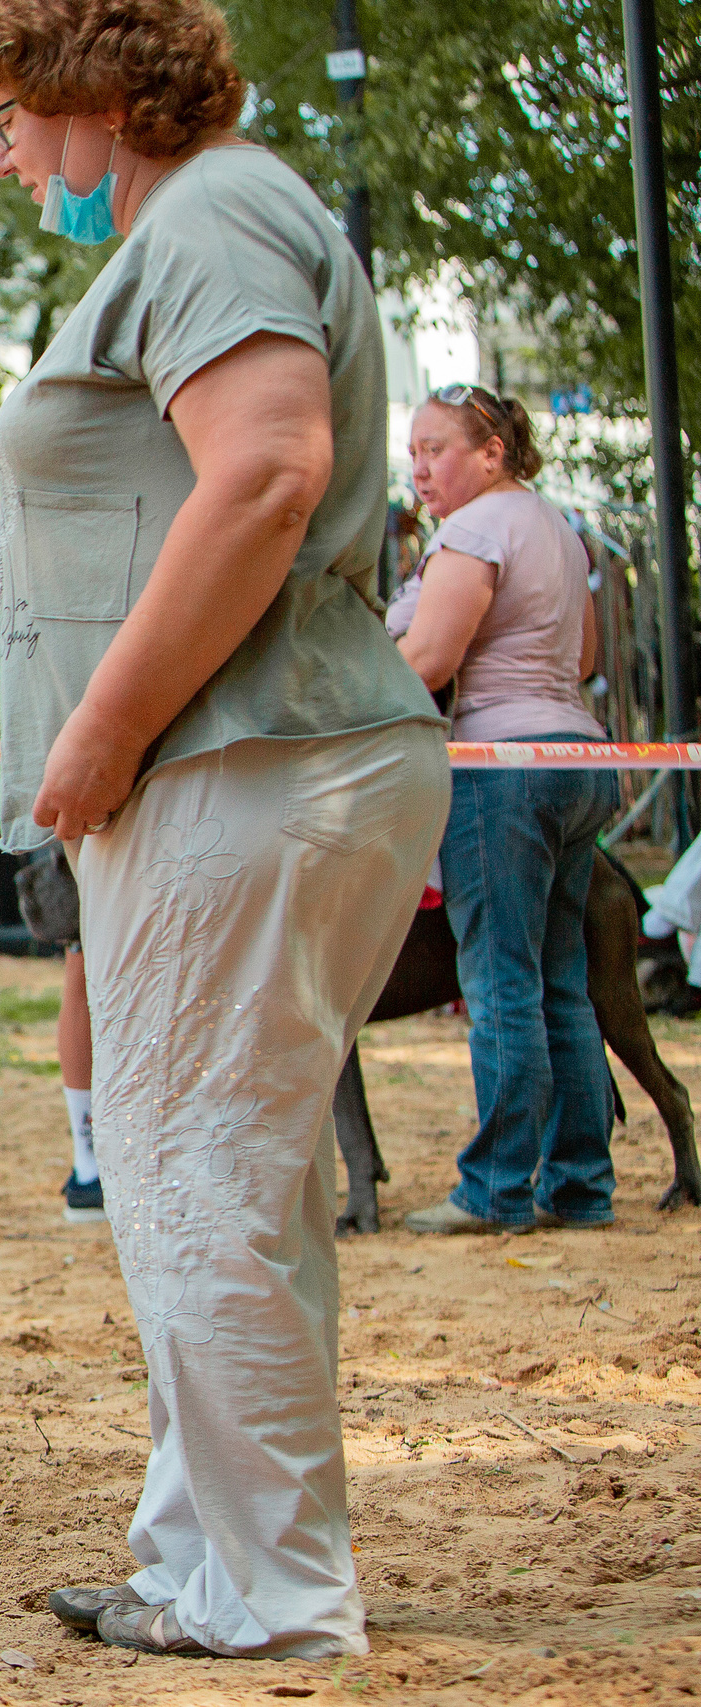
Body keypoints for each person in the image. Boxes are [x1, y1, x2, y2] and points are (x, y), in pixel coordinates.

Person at [0, 0, 450, 1659]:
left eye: (3, 118)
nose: (5, 160)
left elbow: (266, 476)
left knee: (195, 1183)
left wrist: (102, 730)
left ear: (84, 89)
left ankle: (270, 1597)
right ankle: (207, 1561)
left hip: (244, 761)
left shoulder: (212, 211)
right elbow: (131, 529)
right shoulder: (208, 221)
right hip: (264, 758)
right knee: (212, 1183)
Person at [391, 388, 614, 1234]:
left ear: (491, 453)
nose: (420, 468)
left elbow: (429, 659)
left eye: (436, 449)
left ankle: (495, 1190)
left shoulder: (475, 529)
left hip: (501, 768)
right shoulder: (556, 526)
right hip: (577, 755)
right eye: (414, 451)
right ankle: (581, 1185)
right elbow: (584, 657)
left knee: (502, 983)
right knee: (563, 983)